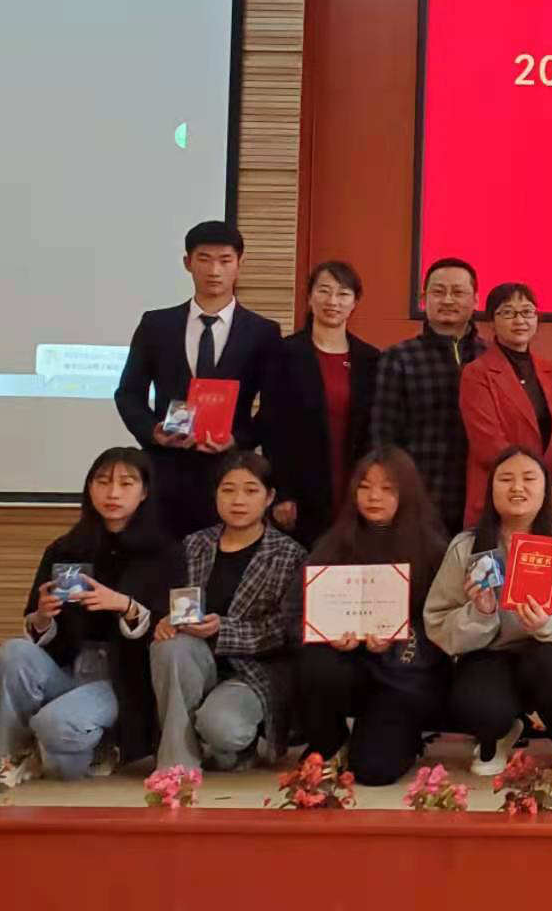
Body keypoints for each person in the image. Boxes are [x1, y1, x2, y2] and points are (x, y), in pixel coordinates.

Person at [0, 447, 184, 782]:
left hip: (124, 678)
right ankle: (11, 754)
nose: (113, 493)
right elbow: (36, 625)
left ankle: (105, 741)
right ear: (89, 488)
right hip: (68, 667)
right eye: (103, 482)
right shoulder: (65, 548)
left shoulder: (166, 552)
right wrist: (42, 617)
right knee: (11, 653)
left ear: (144, 492)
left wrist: (125, 605)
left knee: (57, 736)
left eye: (126, 483)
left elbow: (171, 627)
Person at [425, 446, 552, 786]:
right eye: (506, 479)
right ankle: (497, 735)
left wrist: (549, 624)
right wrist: (480, 613)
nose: (517, 488)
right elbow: (437, 621)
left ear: (546, 489)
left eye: (529, 479)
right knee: (475, 701)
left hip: (549, 652)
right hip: (491, 654)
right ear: (491, 488)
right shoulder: (467, 546)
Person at [114, 220, 281, 539]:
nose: (214, 270)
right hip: (165, 471)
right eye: (204, 259)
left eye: (225, 260)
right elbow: (128, 394)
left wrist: (238, 439)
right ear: (187, 263)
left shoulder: (263, 332)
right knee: (164, 558)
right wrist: (152, 432)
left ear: (240, 263)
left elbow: (275, 406)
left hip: (230, 473)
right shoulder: (156, 325)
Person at [295, 446, 450, 785]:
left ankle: (403, 736)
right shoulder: (333, 543)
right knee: (316, 662)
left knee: (373, 771)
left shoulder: (433, 549)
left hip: (400, 678)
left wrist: (397, 640)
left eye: (387, 488)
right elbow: (298, 612)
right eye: (364, 487)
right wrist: (328, 634)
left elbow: (442, 624)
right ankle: (330, 740)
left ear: (406, 493)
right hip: (347, 666)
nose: (373, 497)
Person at [151, 451, 308, 774]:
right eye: (228, 490)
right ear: (215, 494)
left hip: (252, 671)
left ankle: (231, 746)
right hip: (194, 662)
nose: (238, 500)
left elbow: (285, 628)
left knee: (223, 729)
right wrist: (168, 619)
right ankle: (177, 766)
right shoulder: (194, 545)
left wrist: (222, 629)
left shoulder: (289, 554)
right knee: (169, 646)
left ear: (269, 497)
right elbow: (170, 598)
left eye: (250, 490)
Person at [258, 260, 378, 544]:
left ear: (354, 302)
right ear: (309, 297)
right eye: (324, 291)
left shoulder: (370, 359)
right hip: (300, 492)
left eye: (343, 294)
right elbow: (273, 428)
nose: (332, 301)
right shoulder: (284, 353)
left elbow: (373, 431)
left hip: (354, 485)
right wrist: (282, 491)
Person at [371, 258, 486, 532]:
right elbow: (382, 438)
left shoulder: (491, 358)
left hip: (482, 503)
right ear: (424, 299)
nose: (448, 300)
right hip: (419, 501)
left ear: (475, 300)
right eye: (438, 291)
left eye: (458, 292)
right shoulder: (399, 358)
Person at [461, 282, 552, 527]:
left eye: (527, 312)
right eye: (508, 312)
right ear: (491, 322)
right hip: (499, 495)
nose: (519, 320)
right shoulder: (477, 373)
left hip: (548, 500)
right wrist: (535, 484)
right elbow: (488, 443)